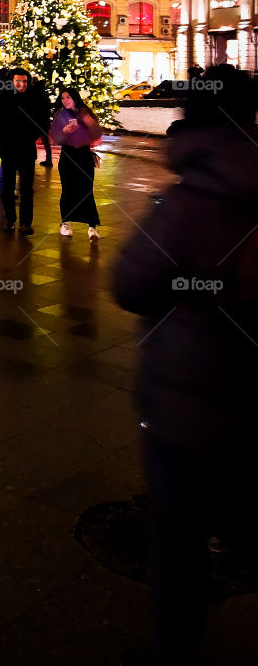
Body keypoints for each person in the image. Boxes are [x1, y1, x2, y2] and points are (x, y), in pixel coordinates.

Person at [111, 65, 258, 666]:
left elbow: (130, 282)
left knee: (180, 540)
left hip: (191, 401)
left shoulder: (193, 200)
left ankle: (173, 656)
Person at [0, 67, 45, 235]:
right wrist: (5, 136)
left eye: (25, 81)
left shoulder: (33, 99)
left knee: (26, 188)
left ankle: (26, 223)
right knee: (8, 187)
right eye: (18, 81)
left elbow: (40, 121)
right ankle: (10, 218)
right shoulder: (3, 99)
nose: (22, 84)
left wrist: (31, 135)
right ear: (12, 82)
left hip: (26, 149)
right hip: (9, 148)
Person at [49, 86, 101, 242]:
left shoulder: (85, 112)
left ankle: (92, 227)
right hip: (68, 156)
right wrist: (65, 131)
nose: (65, 101)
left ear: (75, 98)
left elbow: (96, 133)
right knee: (67, 190)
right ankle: (65, 223)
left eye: (68, 97)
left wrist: (88, 121)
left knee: (87, 190)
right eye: (63, 98)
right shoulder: (60, 115)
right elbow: (55, 138)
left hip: (84, 156)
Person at [33, 78, 53, 167]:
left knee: (31, 141)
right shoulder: (45, 97)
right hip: (45, 122)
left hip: (38, 123)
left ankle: (31, 157)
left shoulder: (35, 97)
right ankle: (49, 159)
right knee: (46, 142)